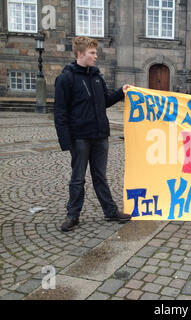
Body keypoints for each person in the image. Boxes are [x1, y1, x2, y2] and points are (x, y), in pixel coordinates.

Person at [54, 36, 134, 232]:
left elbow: (104, 101)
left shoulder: (97, 77)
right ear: (80, 54)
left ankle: (110, 211)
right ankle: (73, 215)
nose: (96, 56)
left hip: (100, 136)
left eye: (95, 52)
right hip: (80, 138)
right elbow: (60, 111)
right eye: (92, 53)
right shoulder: (66, 78)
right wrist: (66, 141)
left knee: (100, 176)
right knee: (78, 178)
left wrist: (121, 92)